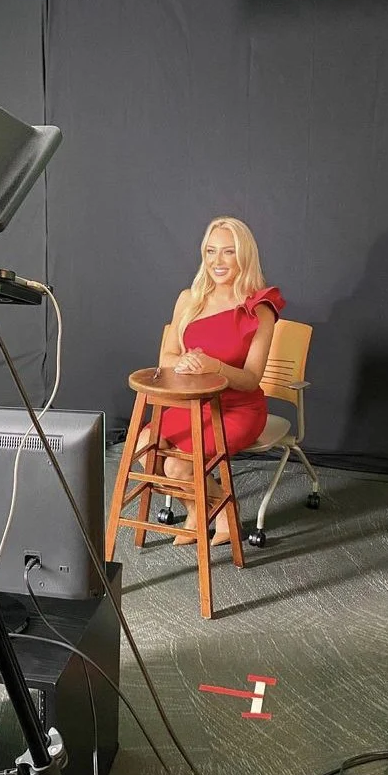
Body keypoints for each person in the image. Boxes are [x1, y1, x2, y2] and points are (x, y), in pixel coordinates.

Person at [147, 216, 284, 546]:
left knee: (177, 469)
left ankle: (221, 511)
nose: (217, 261)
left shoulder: (259, 308)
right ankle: (203, 510)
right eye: (210, 251)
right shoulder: (189, 298)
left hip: (237, 409)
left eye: (228, 251)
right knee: (143, 451)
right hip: (192, 403)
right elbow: (166, 357)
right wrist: (183, 362)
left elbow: (251, 380)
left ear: (244, 255)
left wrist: (215, 367)